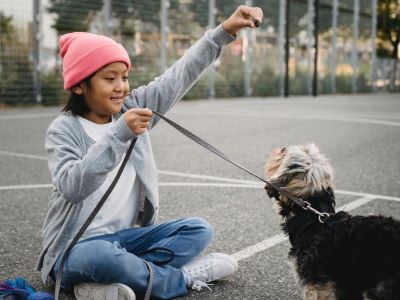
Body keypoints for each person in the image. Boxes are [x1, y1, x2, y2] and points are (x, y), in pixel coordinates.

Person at [37, 5, 263, 300]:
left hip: (125, 241)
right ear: (80, 85)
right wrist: (119, 135)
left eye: (124, 77)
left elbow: (179, 76)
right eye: (109, 78)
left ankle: (105, 286)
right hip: (73, 251)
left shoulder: (131, 109)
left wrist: (225, 31)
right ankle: (178, 279)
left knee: (198, 230)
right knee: (100, 256)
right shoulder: (63, 130)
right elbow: (73, 187)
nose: (121, 87)